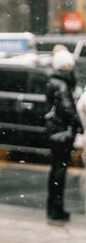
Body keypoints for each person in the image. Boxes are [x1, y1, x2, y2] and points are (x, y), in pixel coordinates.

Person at [45, 48, 83, 221]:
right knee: (59, 170)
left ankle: (52, 206)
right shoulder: (61, 84)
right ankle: (56, 208)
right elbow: (68, 108)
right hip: (62, 131)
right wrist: (79, 125)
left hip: (55, 130)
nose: (69, 67)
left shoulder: (54, 82)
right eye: (66, 64)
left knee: (56, 169)